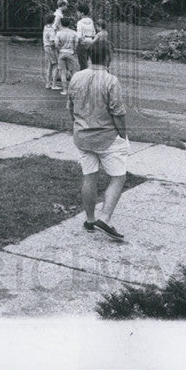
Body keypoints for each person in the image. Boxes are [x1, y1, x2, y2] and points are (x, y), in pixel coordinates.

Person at [67, 38, 127, 242]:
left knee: (89, 176)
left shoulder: (76, 77)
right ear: (109, 57)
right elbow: (118, 113)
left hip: (82, 136)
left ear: (90, 55)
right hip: (106, 136)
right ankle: (105, 218)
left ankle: (90, 220)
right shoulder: (111, 80)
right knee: (118, 177)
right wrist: (123, 134)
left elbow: (70, 107)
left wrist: (77, 125)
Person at [55, 15, 80, 91]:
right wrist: (74, 50)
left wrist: (59, 50)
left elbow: (56, 44)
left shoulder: (58, 33)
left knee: (63, 73)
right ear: (69, 24)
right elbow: (76, 43)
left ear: (61, 24)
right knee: (73, 72)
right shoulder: (73, 33)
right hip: (70, 52)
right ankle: (74, 89)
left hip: (62, 52)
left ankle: (64, 90)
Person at [75, 4, 96, 70]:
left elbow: (79, 35)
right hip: (90, 41)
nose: (77, 13)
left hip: (82, 42)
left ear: (82, 13)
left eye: (78, 12)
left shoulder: (80, 22)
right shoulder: (91, 21)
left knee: (83, 62)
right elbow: (94, 33)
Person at [42, 13, 59, 90]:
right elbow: (52, 41)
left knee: (49, 66)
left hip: (46, 46)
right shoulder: (51, 29)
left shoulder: (46, 27)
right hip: (50, 47)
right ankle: (54, 84)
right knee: (55, 65)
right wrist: (57, 47)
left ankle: (47, 83)